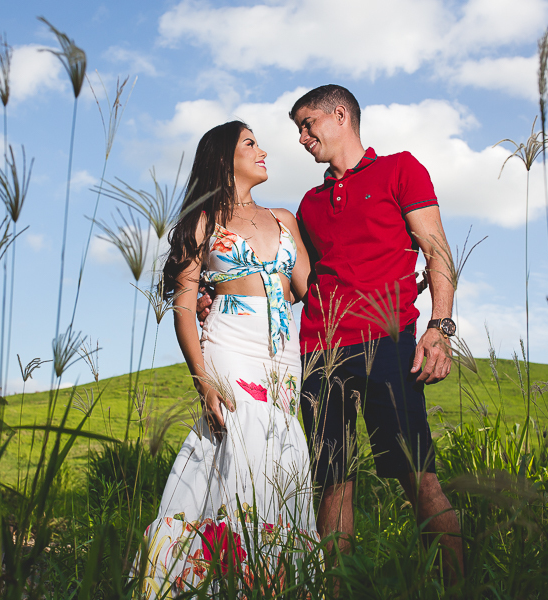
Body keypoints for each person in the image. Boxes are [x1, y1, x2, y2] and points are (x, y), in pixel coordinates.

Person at [200, 85, 465, 584]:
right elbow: (288, 278)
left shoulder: (401, 169)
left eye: (308, 124)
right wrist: (215, 291)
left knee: (419, 478)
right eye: (298, 129)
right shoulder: (310, 203)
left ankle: (460, 590)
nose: (301, 138)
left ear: (340, 115)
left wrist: (439, 327)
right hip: (318, 354)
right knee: (331, 485)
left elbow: (437, 252)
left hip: (388, 343)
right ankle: (332, 591)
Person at [135, 121, 319, 597]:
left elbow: (309, 290)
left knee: (280, 453)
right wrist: (203, 381)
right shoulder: (203, 223)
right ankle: (215, 579)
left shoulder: (284, 218)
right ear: (223, 158)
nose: (263, 150)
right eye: (250, 143)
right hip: (230, 346)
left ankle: (274, 582)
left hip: (283, 357)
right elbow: (183, 308)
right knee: (239, 446)